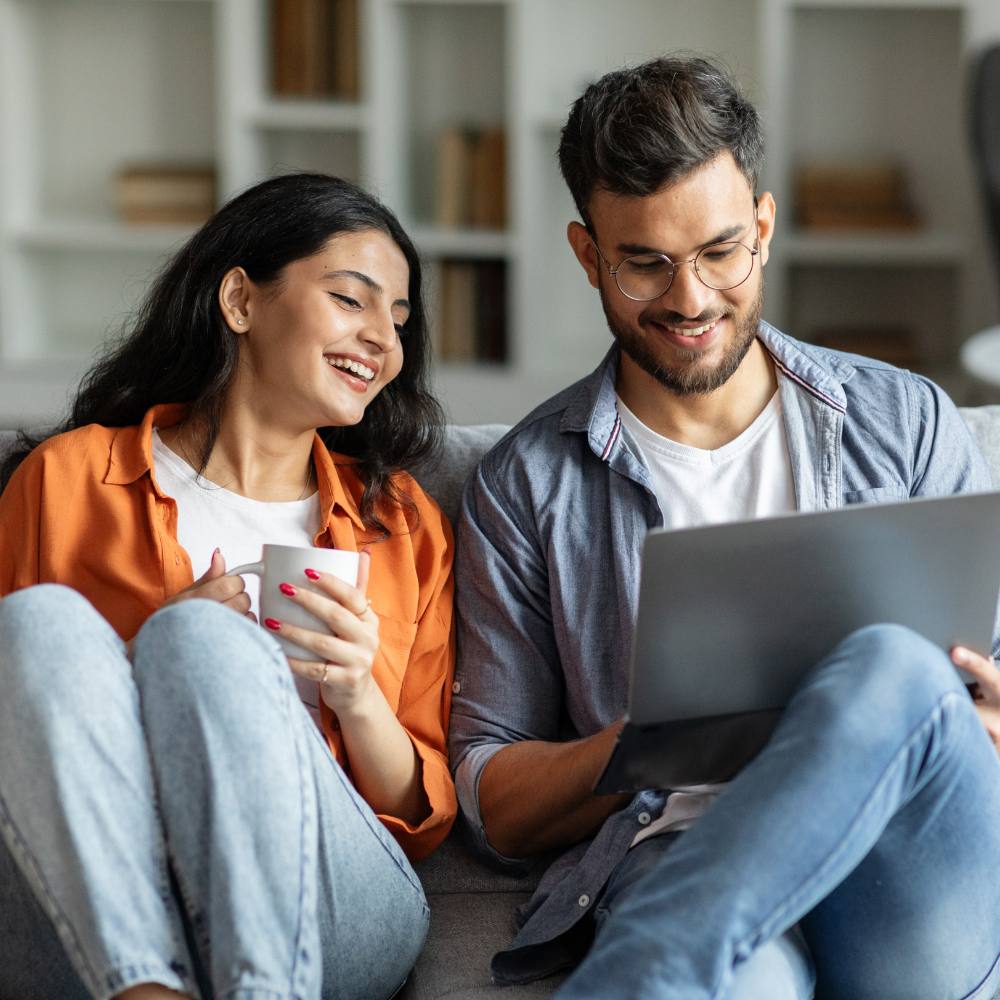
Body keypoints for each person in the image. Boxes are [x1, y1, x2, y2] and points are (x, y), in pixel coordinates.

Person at [450, 56, 1000, 1000]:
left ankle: (638, 969)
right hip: (681, 849)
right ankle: (659, 961)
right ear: (589, 256)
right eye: (646, 264)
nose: (692, 300)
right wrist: (655, 740)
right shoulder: (528, 483)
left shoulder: (905, 420)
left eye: (719, 252)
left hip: (906, 863)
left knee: (891, 667)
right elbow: (493, 802)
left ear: (766, 229)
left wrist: (969, 716)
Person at [0, 173, 457, 1000]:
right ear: (241, 300)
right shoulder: (65, 482)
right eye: (352, 300)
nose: (383, 341)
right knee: (40, 625)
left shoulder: (400, 522)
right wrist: (135, 659)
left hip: (331, 906)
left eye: (398, 319)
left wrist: (357, 696)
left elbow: (419, 820)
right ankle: (146, 988)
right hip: (104, 897)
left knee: (202, 639)